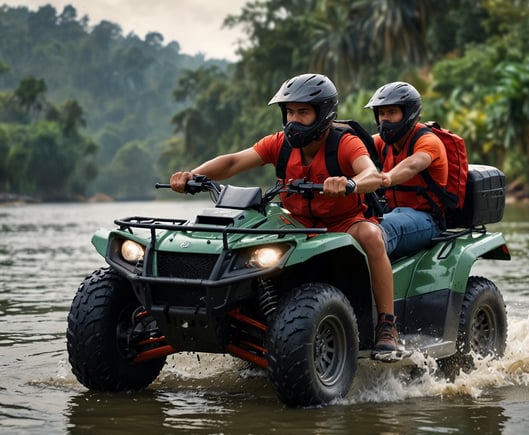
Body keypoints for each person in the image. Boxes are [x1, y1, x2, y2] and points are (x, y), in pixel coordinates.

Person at [170, 73, 400, 353]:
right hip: (295, 222)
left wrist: (350, 183)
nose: (294, 119)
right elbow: (232, 162)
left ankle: (387, 325)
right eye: (289, 111)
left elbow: (371, 174)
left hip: (343, 223)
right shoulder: (280, 143)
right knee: (247, 232)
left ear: (323, 114)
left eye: (303, 112)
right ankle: (238, 312)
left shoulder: (344, 143)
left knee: (372, 236)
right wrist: (192, 175)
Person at [364, 81, 447, 259]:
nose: (384, 119)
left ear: (408, 113)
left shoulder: (428, 141)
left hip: (427, 219)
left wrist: (386, 177)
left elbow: (412, 165)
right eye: (381, 113)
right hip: (391, 211)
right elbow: (356, 148)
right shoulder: (382, 142)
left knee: (375, 231)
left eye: (392, 112)